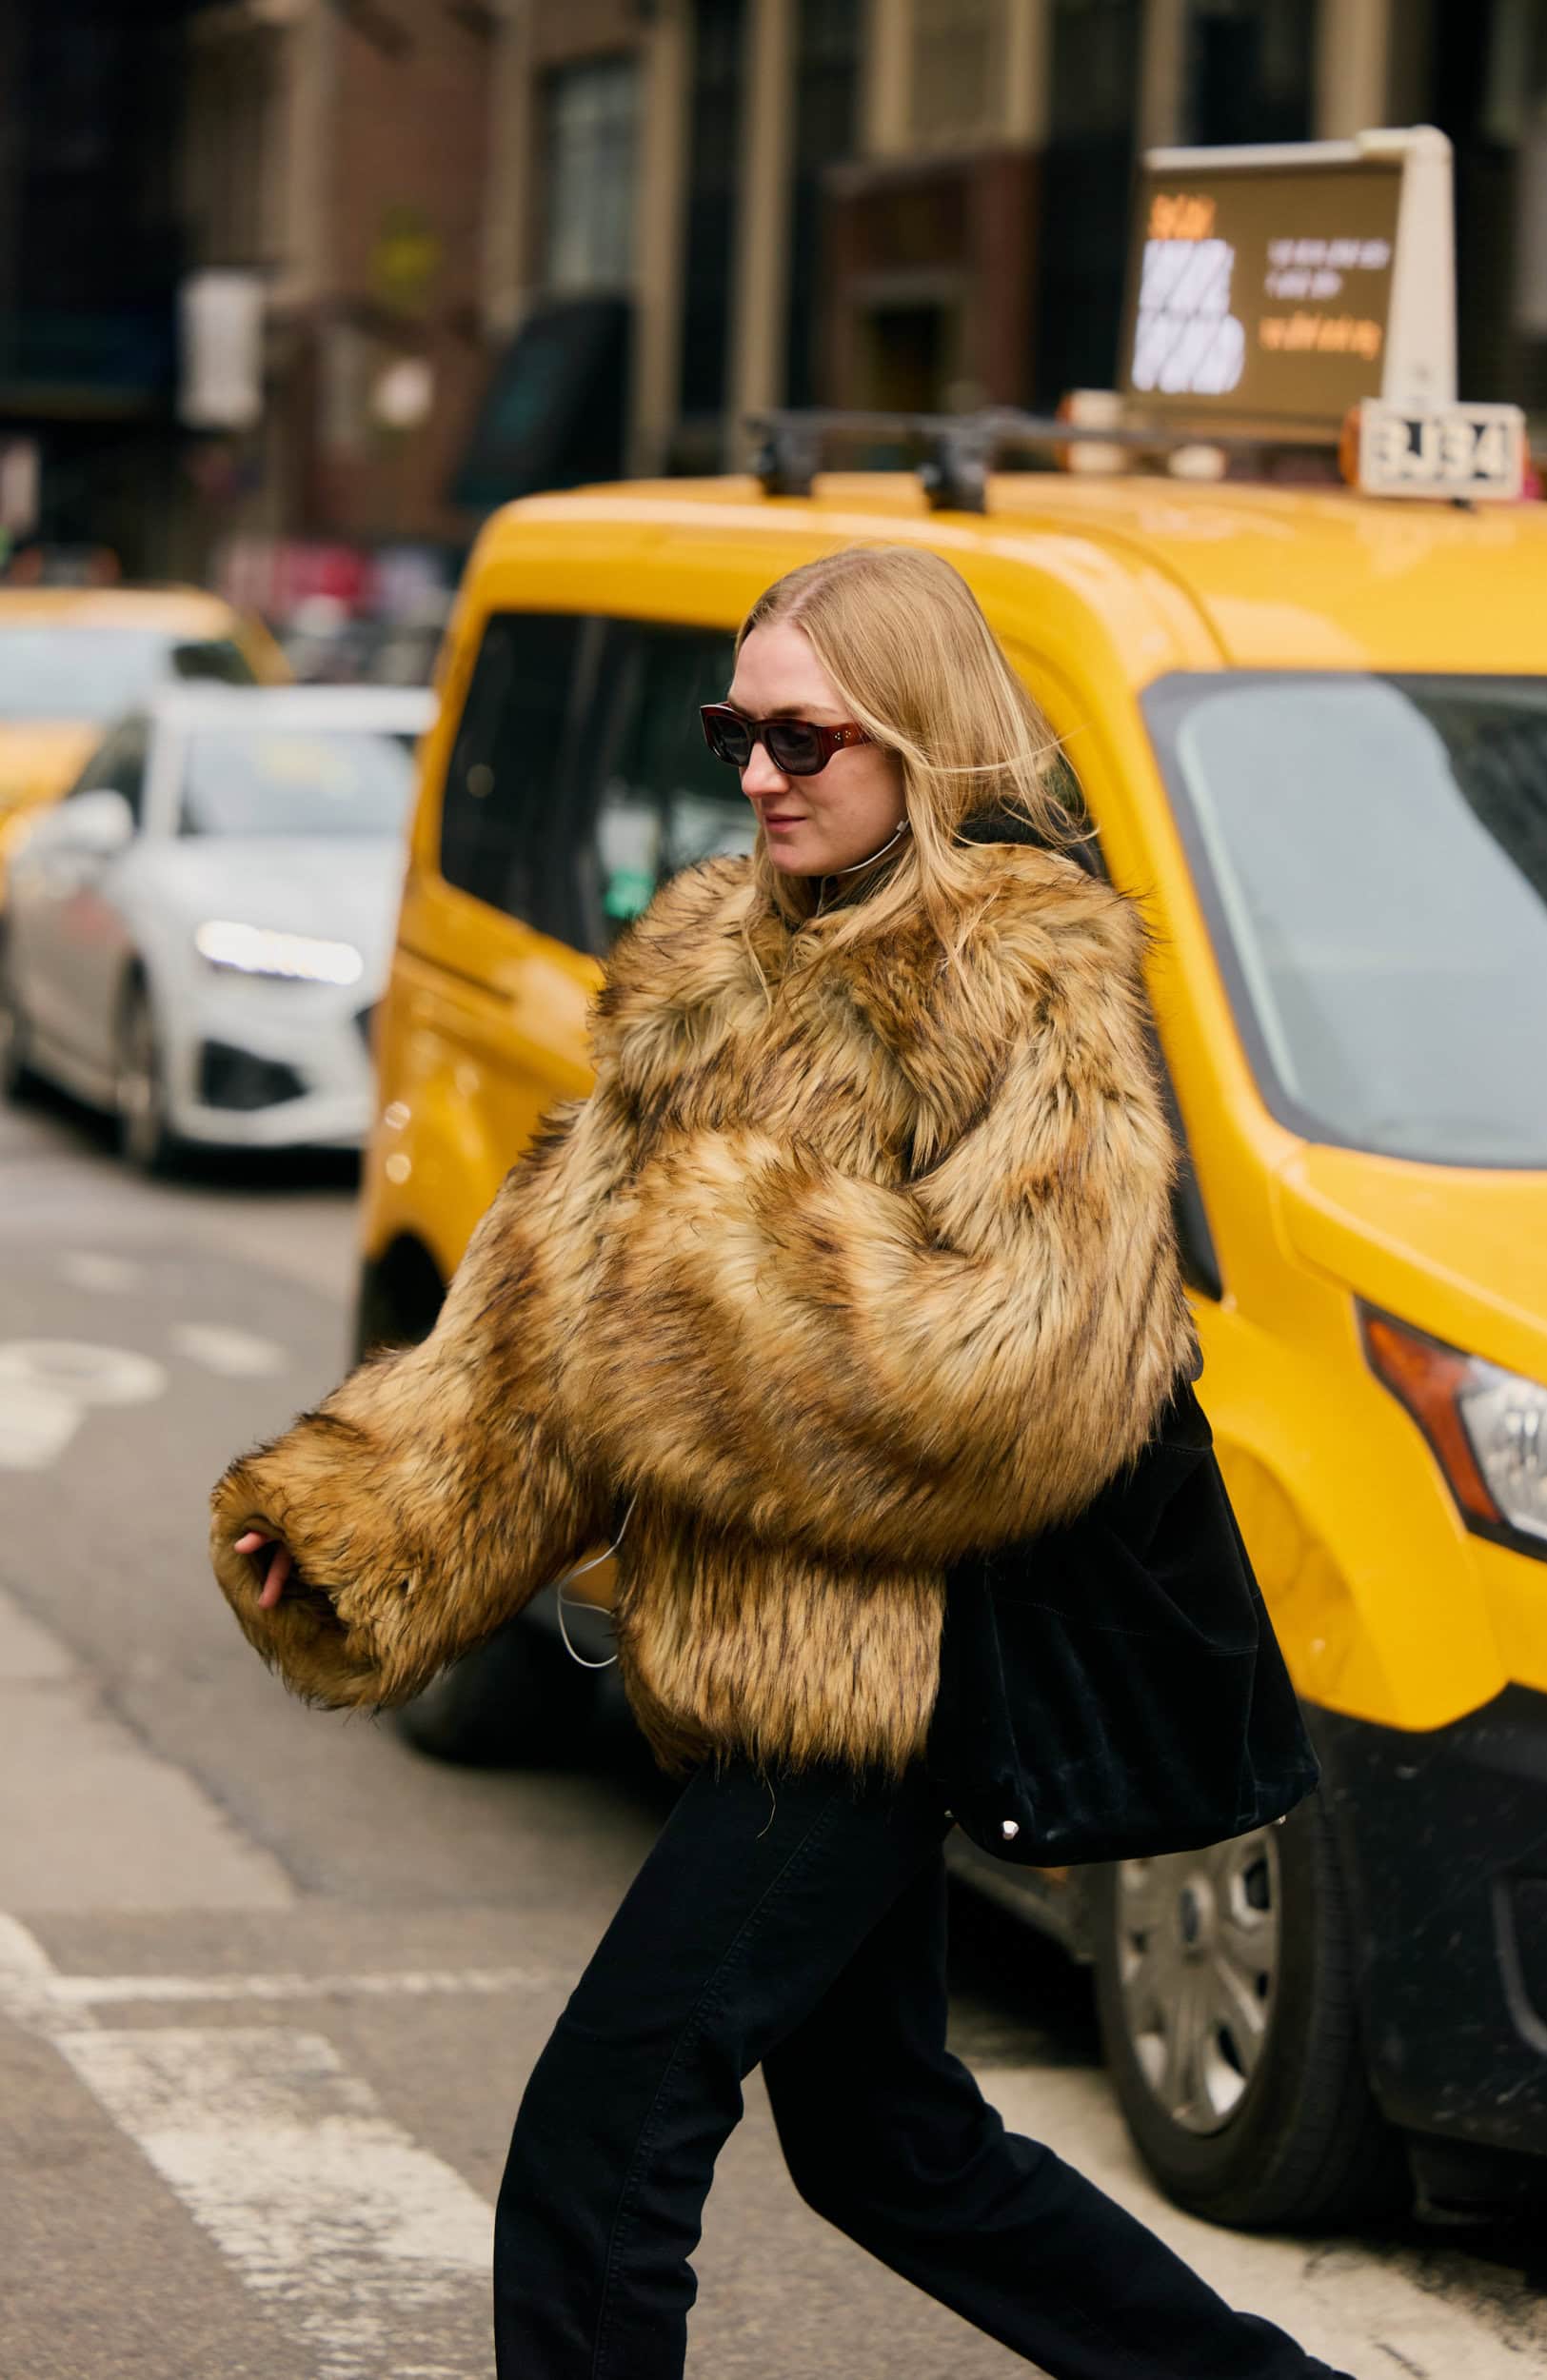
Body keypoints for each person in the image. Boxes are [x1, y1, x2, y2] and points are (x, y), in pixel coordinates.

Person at [211, 545, 1353, 2380]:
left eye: (808, 735)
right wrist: (368, 1514)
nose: (761, 772)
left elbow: (1044, 1361)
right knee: (891, 2146)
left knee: (600, 2147)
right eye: (739, 729)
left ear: (918, 734)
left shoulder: (1019, 972)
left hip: (877, 1684)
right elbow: (540, 1304)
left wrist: (720, 1264)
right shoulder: (710, 962)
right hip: (757, 1657)